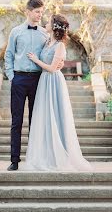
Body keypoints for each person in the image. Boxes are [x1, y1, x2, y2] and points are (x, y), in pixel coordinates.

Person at [24, 14, 92, 172]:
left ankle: (61, 156)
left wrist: (35, 60)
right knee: (45, 117)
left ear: (54, 27)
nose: (45, 23)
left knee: (56, 115)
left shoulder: (60, 45)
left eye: (48, 22)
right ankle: (47, 155)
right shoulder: (48, 41)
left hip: (53, 82)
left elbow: (52, 68)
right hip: (44, 82)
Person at [4, 0, 63, 171]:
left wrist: (60, 62)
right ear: (28, 12)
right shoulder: (15, 32)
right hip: (19, 79)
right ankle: (14, 160)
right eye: (37, 12)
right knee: (16, 121)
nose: (40, 15)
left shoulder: (45, 34)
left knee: (36, 120)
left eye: (42, 12)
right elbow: (8, 55)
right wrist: (11, 76)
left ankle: (34, 159)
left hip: (39, 80)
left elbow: (55, 49)